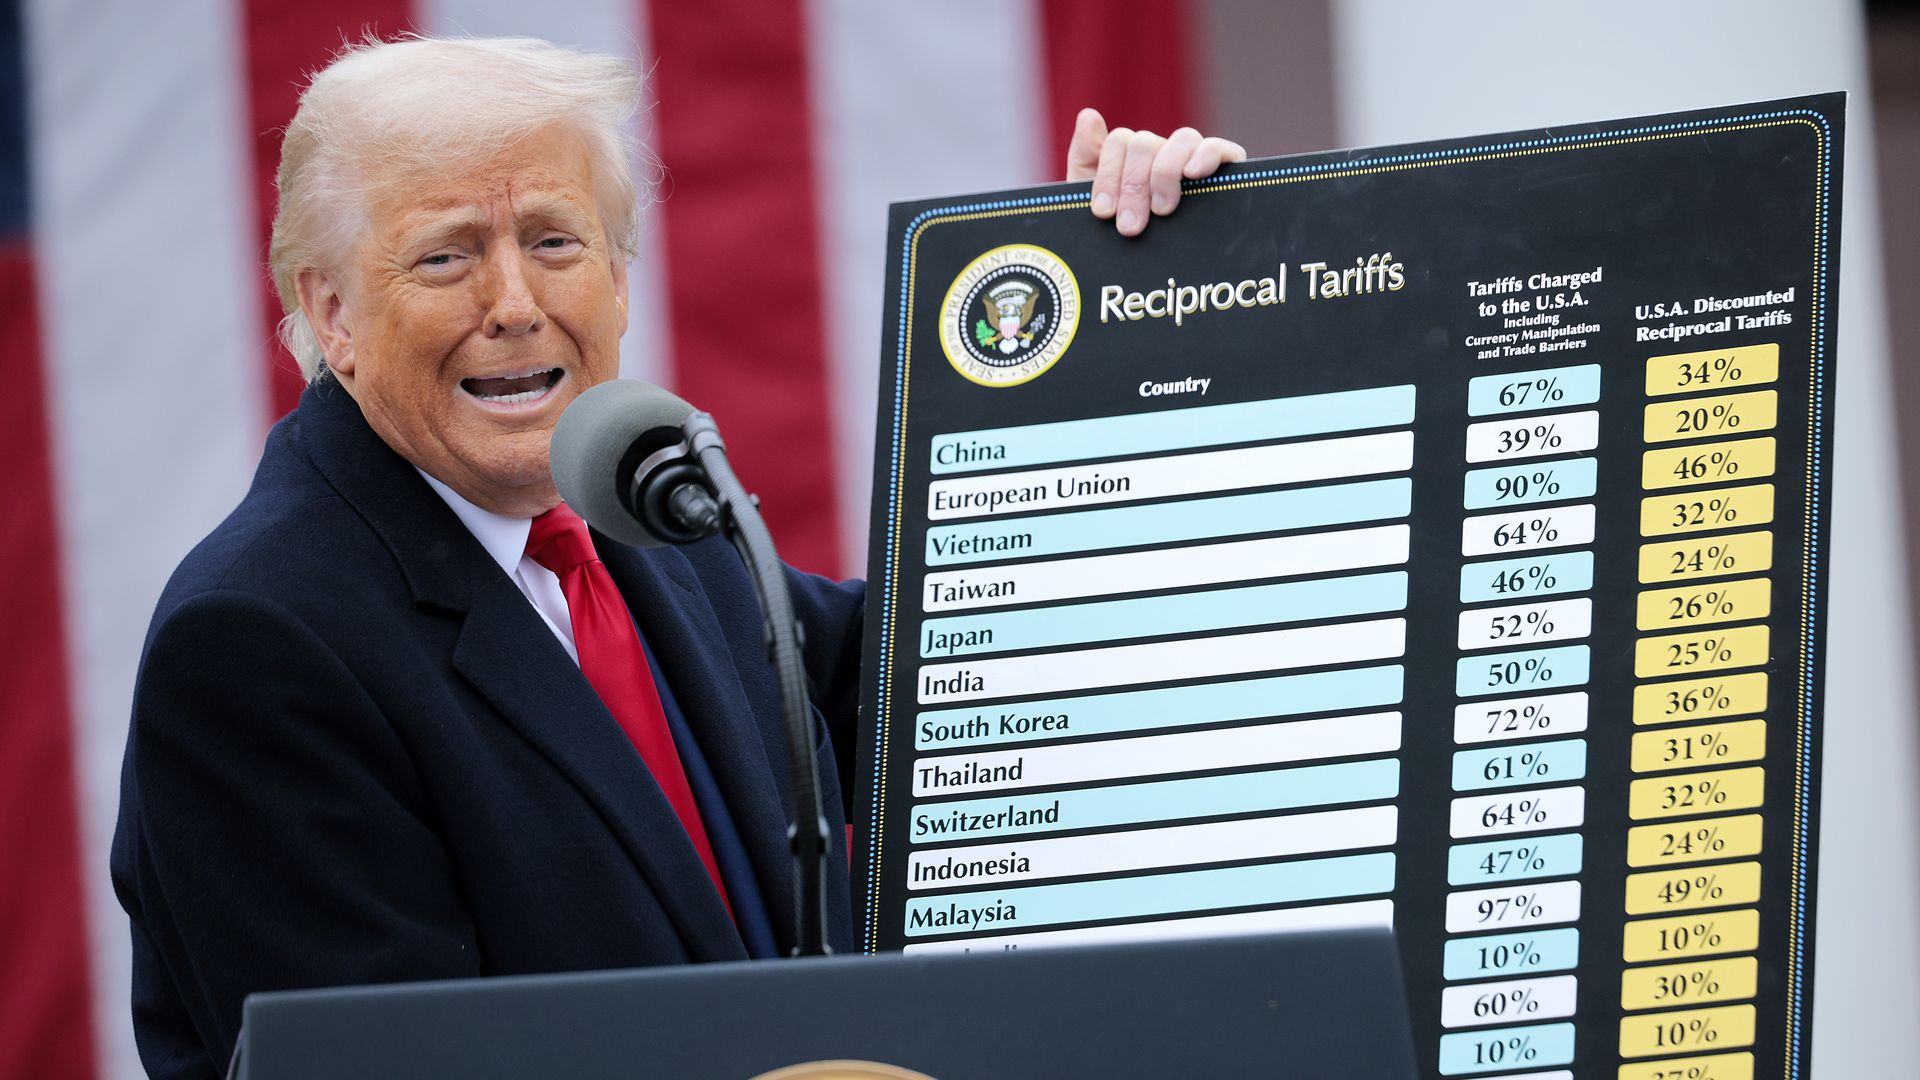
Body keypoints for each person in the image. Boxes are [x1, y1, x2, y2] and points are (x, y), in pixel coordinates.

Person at [109, 36, 1246, 1080]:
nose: (515, 303)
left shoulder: (639, 506)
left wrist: (1134, 303)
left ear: (617, 275)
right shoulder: (256, 645)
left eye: (555, 241)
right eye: (447, 256)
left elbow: (957, 683)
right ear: (332, 310)